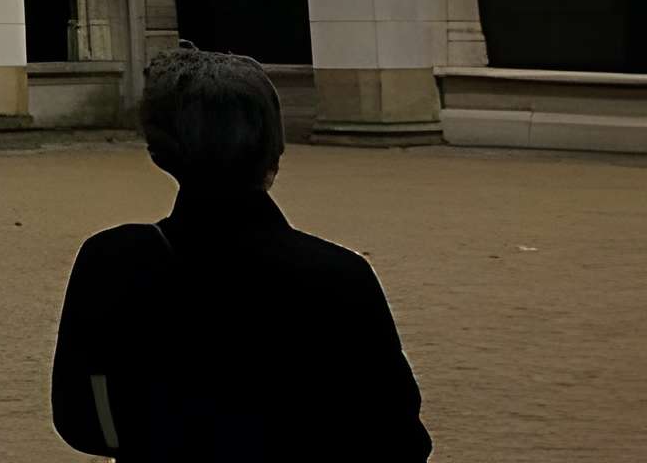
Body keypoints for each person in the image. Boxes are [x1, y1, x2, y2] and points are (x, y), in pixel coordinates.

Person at [50, 46, 429, 457]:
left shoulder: (113, 261)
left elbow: (80, 421)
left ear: (158, 154)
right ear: (275, 153)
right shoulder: (340, 275)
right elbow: (398, 438)